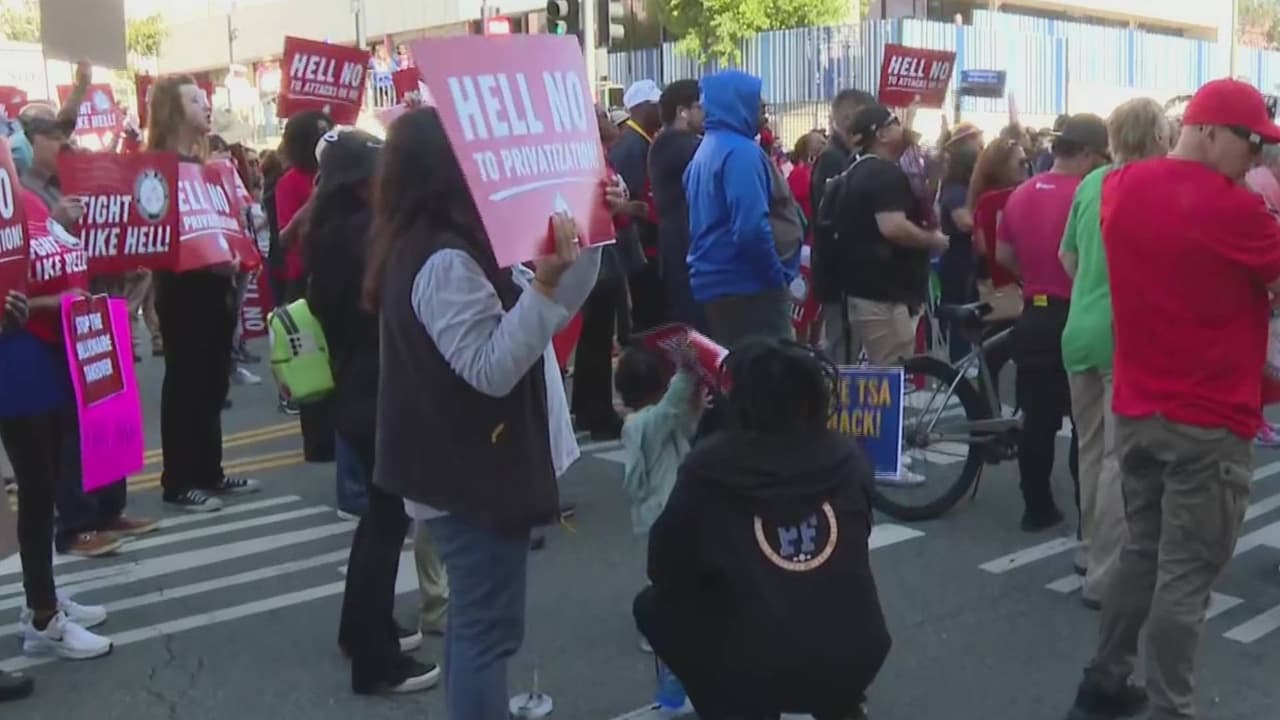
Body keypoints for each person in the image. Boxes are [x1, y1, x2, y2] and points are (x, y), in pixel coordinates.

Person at [362, 107, 618, 719]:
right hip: (466, 475)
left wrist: (591, 232)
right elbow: (490, 367)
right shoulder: (443, 259)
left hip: (461, 472)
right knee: (486, 631)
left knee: (481, 627)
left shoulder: (446, 245)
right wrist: (546, 287)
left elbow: (550, 305)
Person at [1063, 79, 1280, 720]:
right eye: (1253, 142)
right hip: (1208, 418)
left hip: (1138, 406)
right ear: (1209, 130)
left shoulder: (1120, 187)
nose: (1259, 157)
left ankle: (1102, 683)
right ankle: (1169, 707)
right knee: (1186, 575)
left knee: (1141, 552)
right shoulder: (1234, 208)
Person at [634, 338, 889, 720]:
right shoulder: (848, 456)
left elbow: (665, 568)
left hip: (756, 666)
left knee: (653, 606)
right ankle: (838, 704)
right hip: (858, 650)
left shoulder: (709, 468)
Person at [305, 128, 443, 694]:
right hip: (377, 384)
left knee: (379, 519)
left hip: (354, 385)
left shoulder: (330, 229)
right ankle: (374, 660)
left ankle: (361, 627)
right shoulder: (364, 233)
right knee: (388, 520)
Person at [16, 112, 157, 554]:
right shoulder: (24, 195)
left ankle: (109, 510)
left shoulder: (69, 182)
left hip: (93, 312)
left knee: (107, 415)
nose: (63, 145)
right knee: (70, 432)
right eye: (53, 137)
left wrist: (126, 256)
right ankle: (76, 524)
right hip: (51, 327)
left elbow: (100, 240)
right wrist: (56, 221)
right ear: (29, 142)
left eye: (66, 137)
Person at [1058, 99, 1169, 610]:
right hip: (1122, 334)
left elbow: (1067, 255)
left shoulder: (1089, 184)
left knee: (1089, 447)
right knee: (1117, 459)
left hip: (1078, 327)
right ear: (1158, 136)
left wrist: (1089, 292)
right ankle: (1104, 575)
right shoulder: (1157, 186)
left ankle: (1087, 548)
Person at [149, 75, 261, 512]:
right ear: (174, 111)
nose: (205, 105)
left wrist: (231, 256)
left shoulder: (207, 167)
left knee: (213, 378)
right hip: (183, 289)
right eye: (195, 100)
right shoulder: (158, 166)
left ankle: (209, 470)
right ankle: (178, 479)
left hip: (219, 283)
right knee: (186, 380)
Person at [996, 114, 1108, 533]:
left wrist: (1034, 277)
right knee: (1087, 422)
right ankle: (1088, 516)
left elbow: (1004, 256)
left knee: (1037, 418)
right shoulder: (1090, 194)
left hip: (1033, 312)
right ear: (1086, 153)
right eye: (1100, 156)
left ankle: (1036, 507)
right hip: (1077, 310)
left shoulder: (1021, 193)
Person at [0, 281, 113, 662]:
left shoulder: (30, 222)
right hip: (16, 366)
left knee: (45, 488)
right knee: (35, 488)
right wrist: (50, 302)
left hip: (43, 358)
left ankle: (41, 600)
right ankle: (44, 619)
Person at [819, 104, 947, 375]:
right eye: (896, 123)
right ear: (882, 134)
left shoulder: (858, 171)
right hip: (884, 296)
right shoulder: (883, 174)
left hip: (865, 291)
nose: (903, 128)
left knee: (874, 374)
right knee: (891, 375)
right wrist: (933, 240)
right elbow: (893, 228)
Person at [685, 70, 795, 347]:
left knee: (737, 376)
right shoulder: (741, 153)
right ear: (738, 103)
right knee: (768, 377)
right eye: (758, 102)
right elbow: (750, 229)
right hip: (748, 287)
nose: (764, 109)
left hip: (718, 285)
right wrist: (775, 279)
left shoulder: (706, 149)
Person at [275, 110, 335, 461]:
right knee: (310, 364)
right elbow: (283, 237)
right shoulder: (290, 182)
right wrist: (315, 199)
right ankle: (317, 442)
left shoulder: (339, 175)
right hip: (303, 280)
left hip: (333, 275)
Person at [812, 89, 876, 351]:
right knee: (841, 348)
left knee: (847, 346)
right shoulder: (833, 159)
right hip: (838, 274)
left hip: (844, 273)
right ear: (849, 118)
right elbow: (834, 216)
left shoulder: (844, 157)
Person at [648, 79, 707, 331]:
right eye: (699, 106)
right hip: (683, 246)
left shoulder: (675, 143)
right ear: (683, 111)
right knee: (694, 326)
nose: (706, 112)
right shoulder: (676, 144)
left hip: (683, 243)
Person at [611, 79, 666, 332]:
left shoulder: (639, 142)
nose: (661, 110)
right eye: (656, 104)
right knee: (648, 315)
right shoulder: (633, 146)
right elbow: (630, 197)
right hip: (640, 248)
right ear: (642, 108)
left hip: (643, 246)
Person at [937, 144, 979, 364]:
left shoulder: (966, 189)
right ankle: (958, 356)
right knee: (959, 304)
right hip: (957, 253)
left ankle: (964, 353)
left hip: (966, 254)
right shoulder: (956, 190)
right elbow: (965, 223)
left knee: (968, 303)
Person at [788, 131, 825, 223]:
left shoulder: (813, 170)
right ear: (809, 150)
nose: (825, 144)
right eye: (821, 143)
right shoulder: (799, 173)